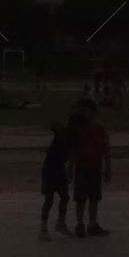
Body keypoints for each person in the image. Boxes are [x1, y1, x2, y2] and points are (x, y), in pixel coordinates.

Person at [69, 98, 111, 237]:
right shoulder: (78, 128)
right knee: (80, 197)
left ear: (92, 112)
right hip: (82, 166)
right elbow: (73, 149)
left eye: (84, 111)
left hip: (95, 166)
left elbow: (106, 148)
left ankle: (92, 223)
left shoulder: (100, 128)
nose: (82, 114)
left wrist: (107, 167)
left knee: (94, 197)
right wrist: (70, 167)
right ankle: (80, 223)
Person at [39, 119, 73, 239]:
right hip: (50, 170)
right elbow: (54, 124)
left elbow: (68, 158)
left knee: (65, 197)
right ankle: (43, 228)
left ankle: (60, 223)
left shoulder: (68, 141)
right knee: (49, 200)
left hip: (58, 170)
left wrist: (68, 171)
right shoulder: (60, 139)